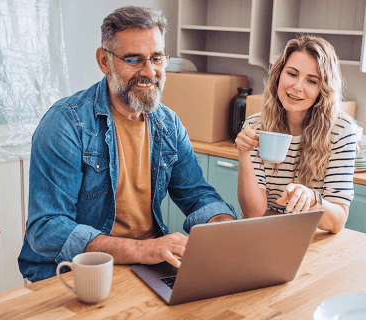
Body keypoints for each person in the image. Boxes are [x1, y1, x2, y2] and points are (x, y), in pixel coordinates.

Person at [18, 6, 236, 283]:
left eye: (156, 58)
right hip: (76, 273)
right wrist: (141, 249)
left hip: (148, 267)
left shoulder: (168, 124)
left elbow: (197, 195)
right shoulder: (65, 123)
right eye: (134, 60)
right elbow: (47, 228)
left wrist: (224, 228)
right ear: (104, 61)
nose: (149, 71)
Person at [235, 35, 359, 233]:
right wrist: (244, 153)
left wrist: (312, 199)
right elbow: (253, 213)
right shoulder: (255, 125)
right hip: (266, 230)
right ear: (278, 75)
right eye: (292, 74)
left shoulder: (341, 131)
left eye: (311, 81)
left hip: (311, 235)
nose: (297, 86)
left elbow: (337, 222)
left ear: (323, 89)